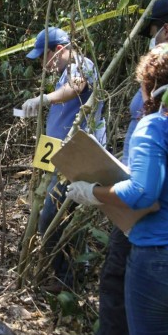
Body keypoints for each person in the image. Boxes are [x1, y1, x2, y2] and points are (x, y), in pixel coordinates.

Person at [68, 46, 168, 335]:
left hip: (162, 267)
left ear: (148, 86)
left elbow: (142, 194)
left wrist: (92, 193)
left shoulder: (154, 126)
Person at [23, 27, 105, 292]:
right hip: (59, 156)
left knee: (54, 217)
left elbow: (76, 87)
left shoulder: (82, 65)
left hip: (77, 158)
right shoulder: (62, 72)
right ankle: (67, 274)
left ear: (58, 51)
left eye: (43, 57)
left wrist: (45, 99)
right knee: (55, 215)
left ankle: (68, 279)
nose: (43, 65)